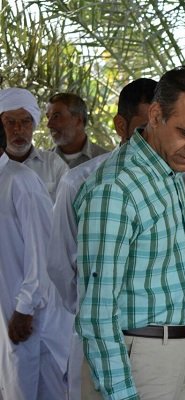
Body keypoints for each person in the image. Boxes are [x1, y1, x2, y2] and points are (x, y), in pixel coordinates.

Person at [73, 65, 185, 400]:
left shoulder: (168, 171)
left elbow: (155, 253)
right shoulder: (116, 189)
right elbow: (96, 315)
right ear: (156, 115)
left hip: (174, 353)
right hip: (137, 358)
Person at [47, 78, 158, 400]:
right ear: (120, 125)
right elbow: (59, 265)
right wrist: (98, 307)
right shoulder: (80, 181)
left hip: (161, 343)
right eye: (143, 127)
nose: (154, 137)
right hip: (101, 334)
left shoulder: (173, 181)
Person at [0, 121, 69, 399]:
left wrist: (25, 307)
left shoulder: (20, 180)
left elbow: (42, 250)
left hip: (27, 317)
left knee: (30, 388)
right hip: (6, 312)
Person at [0, 87, 68, 201]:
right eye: (10, 122)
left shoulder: (53, 165)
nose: (18, 129)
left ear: (33, 124)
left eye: (25, 121)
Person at [46, 92, 108, 167]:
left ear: (78, 120)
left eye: (56, 116)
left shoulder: (106, 161)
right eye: (48, 117)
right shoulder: (43, 163)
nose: (49, 125)